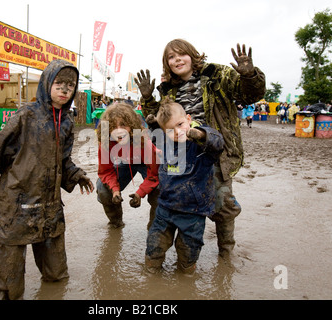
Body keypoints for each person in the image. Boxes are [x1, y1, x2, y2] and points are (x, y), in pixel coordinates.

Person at [0, 59, 94, 300]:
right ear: (47, 83)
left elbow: (63, 159)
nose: (65, 89)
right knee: (8, 276)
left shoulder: (66, 122)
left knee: (57, 274)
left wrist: (77, 174)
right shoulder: (25, 115)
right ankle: (3, 291)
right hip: (17, 199)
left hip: (50, 203)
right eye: (59, 83)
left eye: (71, 85)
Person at [136, 39, 266, 257]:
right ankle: (157, 248)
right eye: (171, 57)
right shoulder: (168, 90)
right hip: (180, 154)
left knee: (223, 207)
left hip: (214, 151)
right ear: (167, 63)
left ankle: (226, 253)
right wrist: (148, 99)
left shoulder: (218, 75)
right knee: (163, 198)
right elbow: (160, 119)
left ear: (192, 55)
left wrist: (249, 75)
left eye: (181, 54)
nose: (177, 59)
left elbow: (250, 95)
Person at [145, 98, 224, 274]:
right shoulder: (165, 142)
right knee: (154, 247)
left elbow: (218, 143)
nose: (178, 132)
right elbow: (157, 135)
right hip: (165, 208)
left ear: (189, 119)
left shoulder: (201, 147)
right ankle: (151, 273)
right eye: (171, 130)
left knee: (188, 252)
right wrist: (153, 126)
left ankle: (187, 274)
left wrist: (202, 135)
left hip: (194, 211)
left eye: (180, 124)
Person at [96, 102, 159, 230]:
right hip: (125, 162)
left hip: (144, 163)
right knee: (103, 190)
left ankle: (155, 227)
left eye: (123, 125)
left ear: (132, 125)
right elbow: (105, 171)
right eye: (113, 127)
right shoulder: (106, 142)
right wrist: (115, 190)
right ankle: (116, 222)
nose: (119, 131)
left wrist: (140, 193)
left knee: (160, 189)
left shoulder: (142, 141)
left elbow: (154, 174)